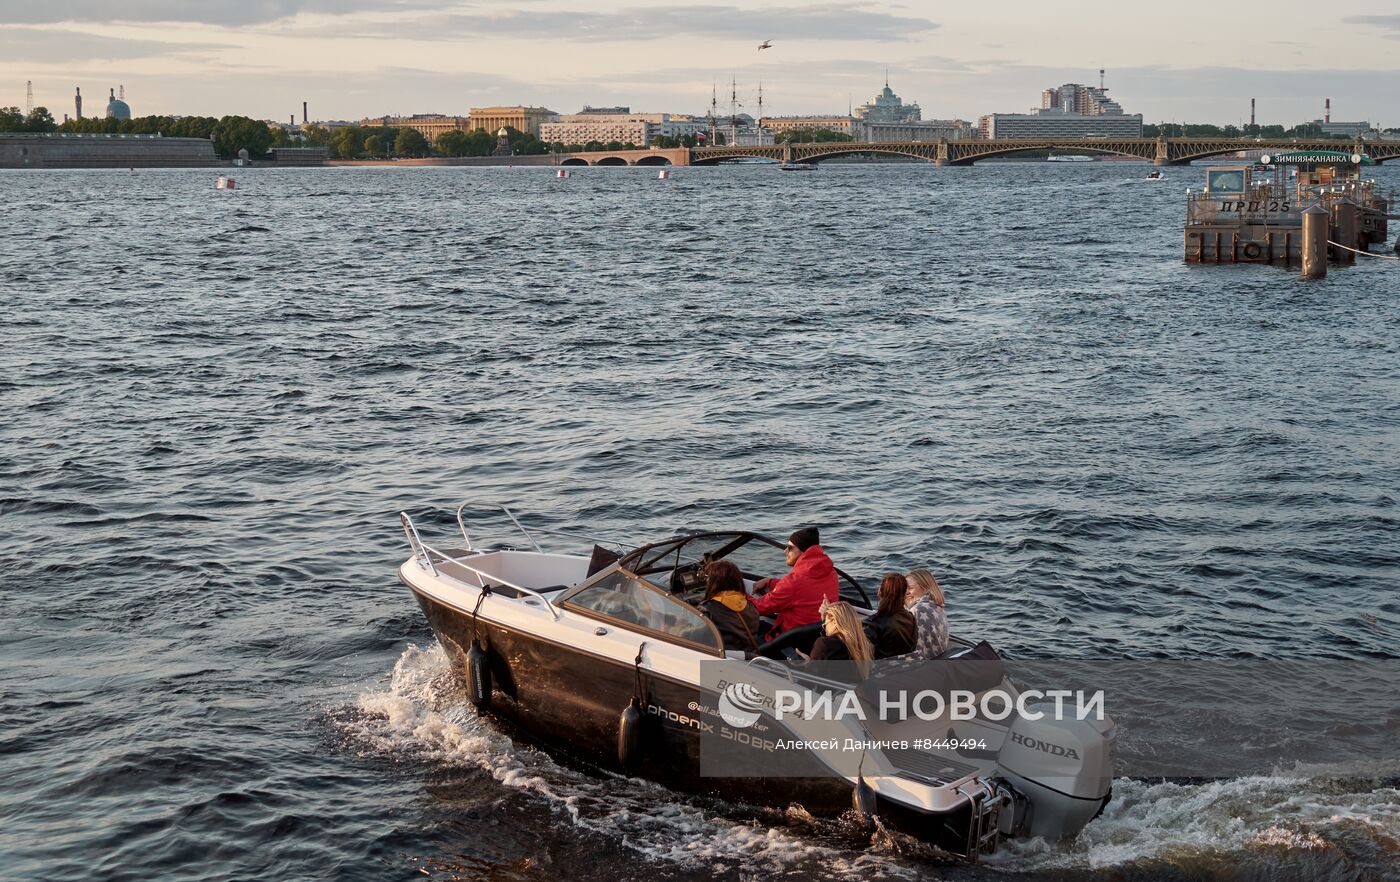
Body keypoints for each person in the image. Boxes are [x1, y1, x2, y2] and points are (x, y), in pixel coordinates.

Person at [750, 526, 839, 638]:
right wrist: (771, 582)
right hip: (816, 638)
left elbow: (756, 608)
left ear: (803, 551)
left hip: (787, 643)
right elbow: (806, 588)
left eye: (790, 548)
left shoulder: (793, 582)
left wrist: (735, 594)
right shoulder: (831, 573)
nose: (785, 551)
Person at [699, 559, 761, 654]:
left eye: (707, 577)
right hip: (747, 657)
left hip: (723, 660)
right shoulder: (751, 606)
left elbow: (692, 637)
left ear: (713, 582)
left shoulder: (707, 610)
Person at [807, 601, 874, 678]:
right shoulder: (865, 646)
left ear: (835, 623)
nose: (824, 628)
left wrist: (809, 664)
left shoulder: (823, 645)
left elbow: (807, 681)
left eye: (825, 624)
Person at [863, 573, 917, 659]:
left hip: (881, 669)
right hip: (906, 668)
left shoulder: (872, 624)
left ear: (880, 592)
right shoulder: (910, 617)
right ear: (904, 594)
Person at [904, 568, 949, 659]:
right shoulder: (937, 608)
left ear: (926, 588)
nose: (906, 592)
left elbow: (915, 650)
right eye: (904, 588)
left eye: (910, 588)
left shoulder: (918, 610)